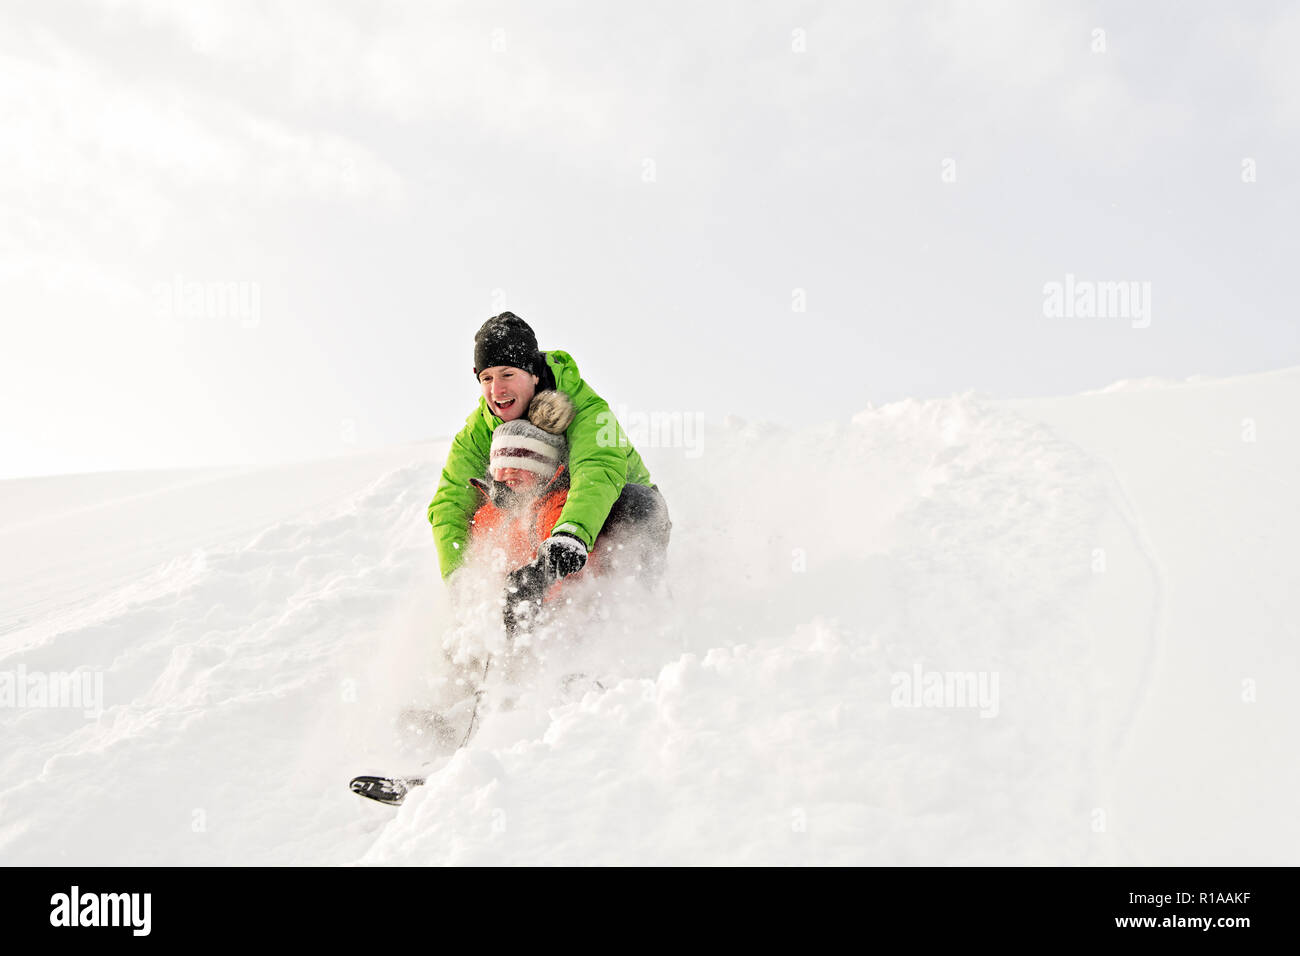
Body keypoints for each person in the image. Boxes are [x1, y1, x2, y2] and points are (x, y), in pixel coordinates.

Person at [428, 312, 671, 626]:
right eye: (486, 378)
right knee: (493, 520)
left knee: (636, 504)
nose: (496, 390)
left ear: (534, 375)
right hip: (540, 518)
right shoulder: (479, 429)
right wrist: (464, 582)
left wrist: (569, 538)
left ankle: (632, 624)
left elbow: (598, 471)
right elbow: (449, 502)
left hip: (610, 515)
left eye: (507, 374)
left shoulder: (587, 409)